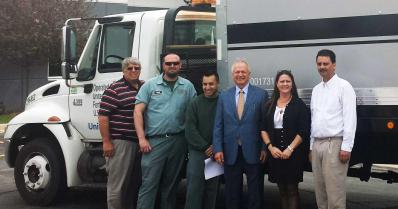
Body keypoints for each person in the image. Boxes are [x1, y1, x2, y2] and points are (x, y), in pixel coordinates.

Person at [134, 53, 196, 209]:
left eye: (175, 63)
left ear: (180, 65)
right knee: (149, 184)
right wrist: (142, 139)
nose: (172, 66)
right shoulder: (150, 85)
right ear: (163, 65)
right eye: (169, 63)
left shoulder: (187, 86)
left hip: (179, 141)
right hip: (154, 142)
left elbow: (194, 113)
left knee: (171, 185)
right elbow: (137, 112)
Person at [213, 59, 269, 209]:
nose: (240, 74)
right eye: (237, 72)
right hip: (230, 151)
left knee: (255, 192)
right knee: (231, 193)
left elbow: (265, 124)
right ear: (232, 75)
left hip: (254, 150)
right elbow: (218, 124)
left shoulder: (261, 95)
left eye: (243, 71)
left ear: (249, 74)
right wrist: (218, 148)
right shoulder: (224, 96)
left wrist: (264, 147)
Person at [310, 49, 357, 209]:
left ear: (334, 65)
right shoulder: (316, 90)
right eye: (319, 64)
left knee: (334, 195)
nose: (322, 66)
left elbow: (350, 118)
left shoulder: (344, 87)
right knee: (320, 194)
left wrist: (346, 147)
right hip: (317, 145)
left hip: (334, 144)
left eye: (326, 63)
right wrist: (311, 147)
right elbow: (313, 120)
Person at [98, 57, 144, 209]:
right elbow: (103, 116)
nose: (133, 71)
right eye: (129, 68)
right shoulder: (114, 89)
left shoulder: (144, 87)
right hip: (121, 143)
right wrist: (106, 142)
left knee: (133, 184)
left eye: (136, 68)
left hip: (140, 143)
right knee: (117, 186)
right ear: (123, 71)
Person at [260, 70, 310, 209]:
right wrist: (270, 147)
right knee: (282, 191)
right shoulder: (269, 105)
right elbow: (263, 128)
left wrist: (289, 149)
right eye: (282, 81)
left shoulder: (299, 105)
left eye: (288, 81)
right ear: (277, 84)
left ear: (292, 83)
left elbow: (303, 131)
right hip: (275, 153)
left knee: (292, 190)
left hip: (293, 154)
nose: (285, 84)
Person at [184, 71, 220, 209]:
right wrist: (205, 146)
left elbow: (226, 126)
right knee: (194, 189)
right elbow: (190, 129)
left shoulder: (222, 102)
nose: (207, 87)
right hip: (198, 153)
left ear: (217, 84)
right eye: (205, 84)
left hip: (215, 152)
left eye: (211, 84)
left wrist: (216, 146)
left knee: (212, 189)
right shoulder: (195, 103)